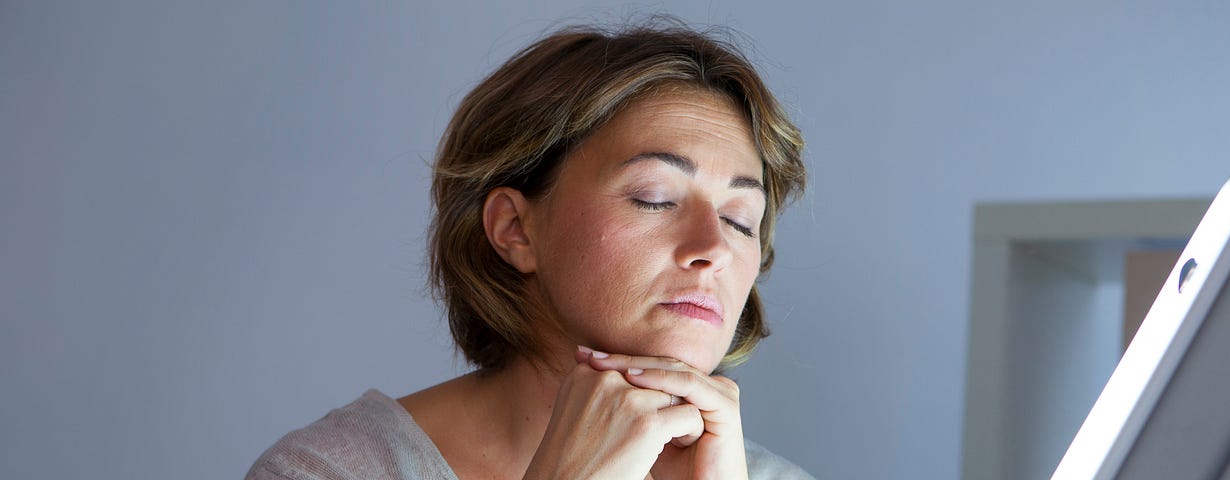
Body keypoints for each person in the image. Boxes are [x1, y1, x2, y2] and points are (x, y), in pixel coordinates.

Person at [246, 20, 811, 480]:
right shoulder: (328, 471)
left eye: (741, 221)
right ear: (515, 229)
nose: (712, 248)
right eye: (655, 198)